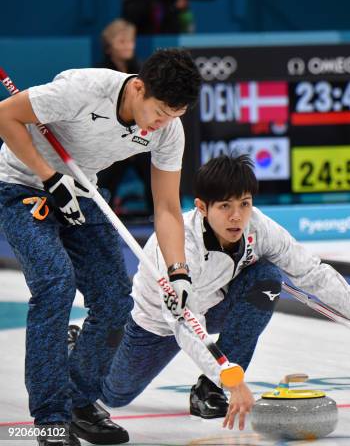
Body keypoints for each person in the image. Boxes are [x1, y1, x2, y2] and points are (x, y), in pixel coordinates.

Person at [69, 153, 350, 431]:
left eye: (244, 204)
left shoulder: (257, 227)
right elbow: (186, 324)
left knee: (266, 277)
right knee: (115, 395)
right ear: (202, 207)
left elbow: (312, 273)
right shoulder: (177, 246)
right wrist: (233, 379)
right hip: (161, 320)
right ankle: (79, 345)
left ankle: (209, 390)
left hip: (215, 302)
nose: (237, 217)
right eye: (225, 207)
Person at [0, 48, 202, 445]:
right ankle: (51, 418)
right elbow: (6, 114)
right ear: (139, 88)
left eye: (175, 116)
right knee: (56, 283)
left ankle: (79, 401)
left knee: (113, 300)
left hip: (81, 188)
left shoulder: (168, 129)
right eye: (160, 111)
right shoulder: (85, 89)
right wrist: (47, 177)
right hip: (19, 184)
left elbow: (165, 208)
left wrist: (178, 272)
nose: (163, 124)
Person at [96, 19, 154, 217]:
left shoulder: (142, 69)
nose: (128, 46)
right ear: (109, 47)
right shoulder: (99, 73)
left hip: (140, 134)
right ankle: (100, 217)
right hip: (109, 137)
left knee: (155, 168)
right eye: (122, 42)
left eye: (130, 41)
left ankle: (159, 215)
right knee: (103, 179)